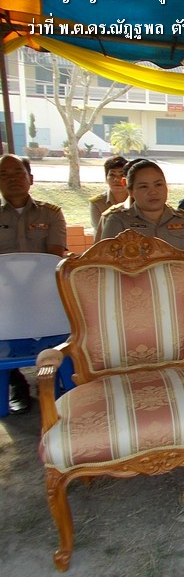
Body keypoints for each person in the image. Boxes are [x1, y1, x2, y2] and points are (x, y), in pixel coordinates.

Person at [0, 154, 67, 414]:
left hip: (43, 292)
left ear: (30, 178)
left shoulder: (51, 213)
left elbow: (53, 258)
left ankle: (52, 375)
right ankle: (15, 380)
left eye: (18, 173)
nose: (12, 179)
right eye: (4, 175)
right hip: (4, 296)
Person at [101, 160, 184, 259]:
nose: (153, 192)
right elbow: (106, 262)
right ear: (130, 191)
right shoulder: (118, 221)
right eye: (143, 187)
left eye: (158, 185)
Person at [89, 155, 128, 229]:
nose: (117, 179)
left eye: (122, 175)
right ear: (106, 177)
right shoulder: (97, 203)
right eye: (112, 175)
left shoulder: (138, 200)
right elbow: (100, 230)